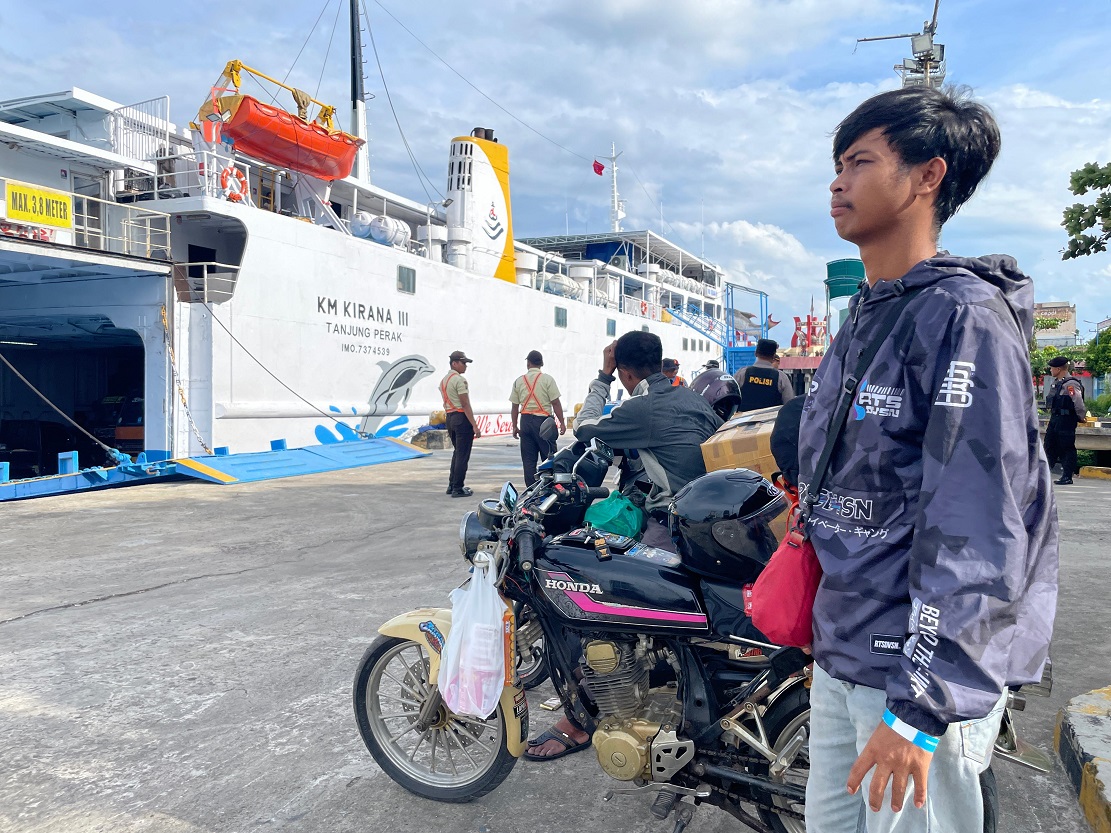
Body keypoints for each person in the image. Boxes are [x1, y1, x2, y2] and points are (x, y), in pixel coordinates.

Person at [797, 86, 1058, 832]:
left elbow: (976, 526)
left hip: (910, 678)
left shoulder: (963, 319)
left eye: (859, 161)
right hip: (842, 653)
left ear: (925, 176)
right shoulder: (867, 315)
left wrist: (920, 708)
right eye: (836, 164)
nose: (836, 182)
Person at [525, 331, 721, 762]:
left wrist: (602, 375)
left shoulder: (643, 406)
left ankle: (583, 716)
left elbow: (584, 427)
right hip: (708, 523)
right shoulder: (693, 400)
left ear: (628, 372)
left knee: (597, 591)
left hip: (675, 524)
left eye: (622, 372)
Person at [509, 350, 565, 487]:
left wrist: (515, 426)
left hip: (525, 421)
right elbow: (556, 403)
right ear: (541, 363)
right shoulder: (547, 380)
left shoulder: (519, 381)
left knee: (528, 460)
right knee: (549, 457)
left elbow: (515, 406)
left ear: (528, 363)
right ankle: (550, 488)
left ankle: (531, 491)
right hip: (543, 422)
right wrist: (562, 422)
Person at [440, 350, 481, 497]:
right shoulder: (459, 380)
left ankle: (452, 485)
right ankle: (458, 487)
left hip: (450, 417)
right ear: (454, 363)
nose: (465, 366)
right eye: (463, 363)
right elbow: (465, 404)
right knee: (463, 455)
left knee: (457, 453)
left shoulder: (444, 380)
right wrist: (475, 426)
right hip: (460, 418)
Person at [1043, 355, 1086, 485]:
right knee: (1049, 446)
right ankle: (1044, 476)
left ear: (1058, 368)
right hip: (1055, 419)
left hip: (1066, 420)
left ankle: (1067, 476)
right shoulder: (1056, 382)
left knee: (1066, 447)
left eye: (1052, 368)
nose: (1050, 370)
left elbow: (1078, 402)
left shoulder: (1071, 384)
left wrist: (1081, 416)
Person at [733, 338, 795, 412]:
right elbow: (789, 405)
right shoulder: (781, 377)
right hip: (771, 422)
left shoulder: (742, 373)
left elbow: (731, 399)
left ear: (755, 353)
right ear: (773, 356)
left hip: (743, 421)